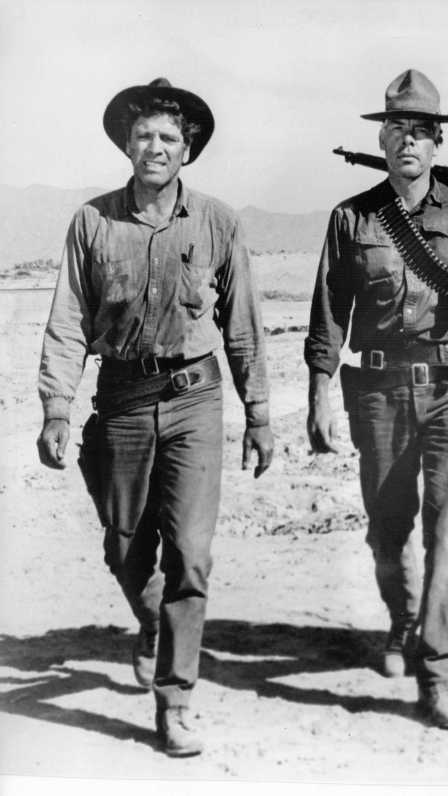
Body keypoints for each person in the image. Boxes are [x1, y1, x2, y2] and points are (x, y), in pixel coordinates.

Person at [36, 77, 274, 756]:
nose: (156, 147)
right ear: (127, 145)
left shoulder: (218, 221)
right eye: (143, 135)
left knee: (190, 554)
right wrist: (56, 407)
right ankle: (151, 622)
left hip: (195, 398)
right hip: (120, 402)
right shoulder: (92, 221)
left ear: (187, 149)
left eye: (169, 137)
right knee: (124, 547)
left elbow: (244, 325)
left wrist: (259, 412)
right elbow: (67, 320)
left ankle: (175, 701)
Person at [304, 68, 448, 730]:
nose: (407, 141)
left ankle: (438, 672)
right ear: (382, 138)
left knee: (446, 535)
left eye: (420, 132)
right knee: (387, 531)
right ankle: (401, 620)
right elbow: (328, 311)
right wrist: (319, 392)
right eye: (396, 129)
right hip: (378, 389)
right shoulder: (353, 217)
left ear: (436, 144)